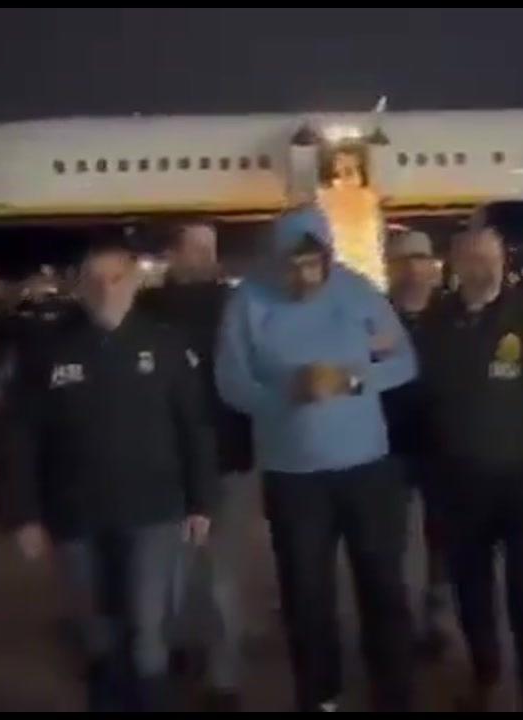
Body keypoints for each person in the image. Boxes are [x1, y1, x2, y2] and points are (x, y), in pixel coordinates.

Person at [0, 236, 216, 712]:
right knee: (97, 632)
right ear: (77, 287)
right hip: (76, 514)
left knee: (146, 630)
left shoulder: (165, 342)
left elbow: (195, 427)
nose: (106, 289)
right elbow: (18, 436)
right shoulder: (45, 349)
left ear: (135, 280)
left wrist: (201, 501)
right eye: (94, 280)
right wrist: (23, 513)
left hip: (155, 510)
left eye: (116, 278)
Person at [215, 205, 416, 712]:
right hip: (294, 477)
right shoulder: (248, 302)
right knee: (306, 594)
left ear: (327, 256)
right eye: (292, 265)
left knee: (382, 584)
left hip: (366, 468)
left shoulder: (358, 292)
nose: (304, 277)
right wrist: (285, 394)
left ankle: (393, 692)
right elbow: (231, 382)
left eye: (312, 264)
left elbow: (403, 361)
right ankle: (320, 694)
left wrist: (354, 380)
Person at [415, 226, 523, 712]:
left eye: (492, 258)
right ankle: (485, 674)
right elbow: (419, 400)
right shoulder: (435, 322)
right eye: (473, 259)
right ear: (454, 265)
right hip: (456, 486)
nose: (485, 268)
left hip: (520, 483)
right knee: (470, 594)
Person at [136, 221, 252, 711]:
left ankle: (223, 675)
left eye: (211, 248)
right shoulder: (149, 308)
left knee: (219, 573)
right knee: (176, 568)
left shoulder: (236, 305)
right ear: (174, 253)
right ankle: (187, 651)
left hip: (224, 456)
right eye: (196, 248)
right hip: (171, 458)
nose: (205, 256)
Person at [380, 229, 450, 659]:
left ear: (433, 266)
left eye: (420, 258)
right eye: (402, 260)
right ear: (389, 268)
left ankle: (436, 618)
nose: (412, 268)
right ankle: (398, 622)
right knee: (392, 542)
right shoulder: (370, 319)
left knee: (443, 538)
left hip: (443, 447)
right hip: (386, 447)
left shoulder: (454, 317)